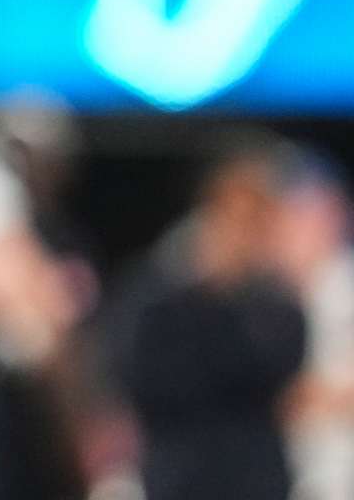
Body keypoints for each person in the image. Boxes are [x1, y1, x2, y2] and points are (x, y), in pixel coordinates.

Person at [116, 144, 308, 500]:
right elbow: (142, 374)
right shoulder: (161, 286)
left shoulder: (277, 298)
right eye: (235, 215)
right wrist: (205, 291)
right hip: (179, 478)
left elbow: (279, 367)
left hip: (257, 480)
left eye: (256, 217)